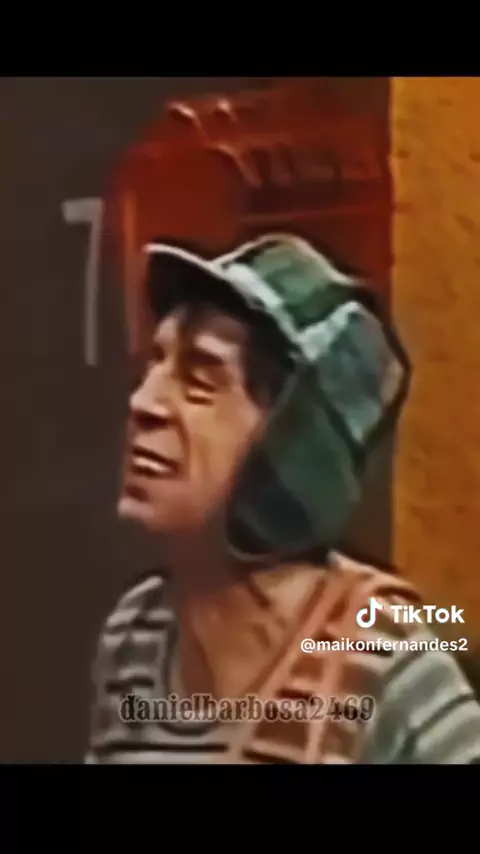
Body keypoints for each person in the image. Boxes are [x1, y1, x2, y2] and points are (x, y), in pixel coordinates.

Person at [86, 233, 480, 764]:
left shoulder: (377, 653)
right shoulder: (135, 636)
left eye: (199, 380)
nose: (144, 402)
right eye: (153, 365)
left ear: (292, 441)